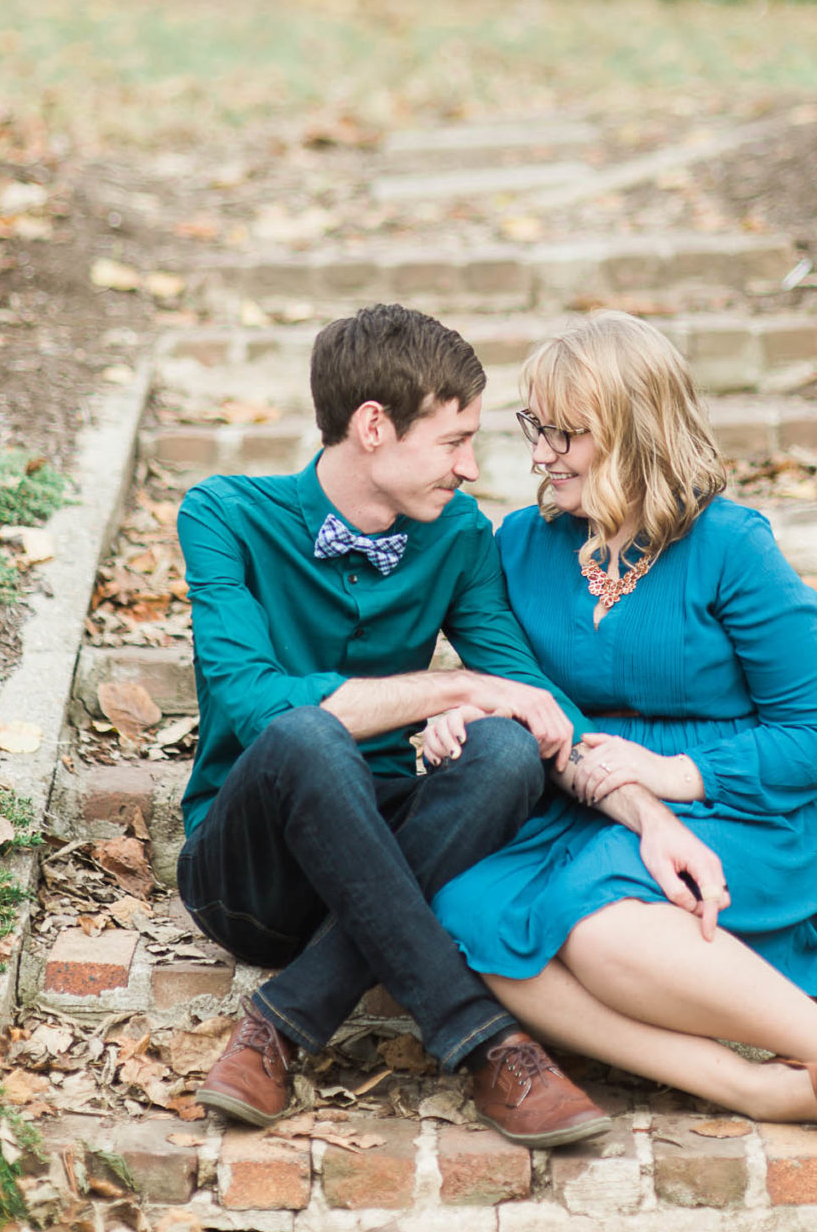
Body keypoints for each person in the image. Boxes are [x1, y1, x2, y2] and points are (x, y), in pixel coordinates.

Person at [423, 311, 817, 1137]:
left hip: (740, 808)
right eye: (535, 425)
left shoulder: (732, 547)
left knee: (593, 928)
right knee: (465, 913)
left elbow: (816, 736)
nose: (540, 451)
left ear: (634, 432)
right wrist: (460, 707)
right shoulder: (519, 544)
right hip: (579, 801)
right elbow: (510, 684)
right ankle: (754, 1089)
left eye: (564, 432)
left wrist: (673, 775)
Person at [179, 302, 632, 1147]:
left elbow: (526, 693)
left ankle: (280, 1020)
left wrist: (647, 801)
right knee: (309, 734)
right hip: (249, 874)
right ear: (375, 426)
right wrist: (443, 691)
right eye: (454, 441)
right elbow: (253, 701)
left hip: (385, 850)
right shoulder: (223, 515)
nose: (471, 468)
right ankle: (484, 1039)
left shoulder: (457, 535)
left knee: (505, 750)